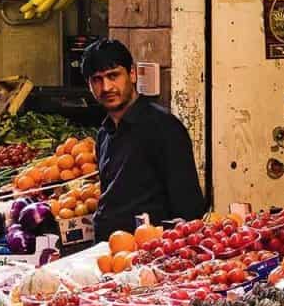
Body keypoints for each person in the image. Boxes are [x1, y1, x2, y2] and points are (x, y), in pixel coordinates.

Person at [83, 39, 207, 241]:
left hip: (148, 254)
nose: (106, 87)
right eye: (97, 79)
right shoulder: (104, 134)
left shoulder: (164, 127)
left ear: (132, 74)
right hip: (110, 254)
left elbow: (188, 208)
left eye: (113, 76)